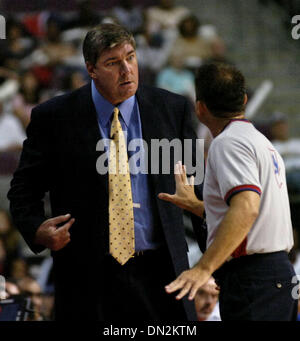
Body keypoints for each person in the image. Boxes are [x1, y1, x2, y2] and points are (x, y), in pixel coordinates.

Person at [7, 23, 203, 321]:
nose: (127, 70)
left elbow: (198, 186)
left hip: (163, 271)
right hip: (88, 275)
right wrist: (36, 229)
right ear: (91, 69)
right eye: (113, 63)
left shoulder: (171, 109)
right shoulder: (54, 118)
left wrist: (212, 261)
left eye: (131, 57)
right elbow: (23, 190)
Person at [159, 63, 298, 321]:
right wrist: (198, 207)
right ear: (244, 100)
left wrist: (203, 267)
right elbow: (253, 217)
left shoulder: (228, 143)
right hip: (275, 275)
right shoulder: (261, 142)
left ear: (200, 109)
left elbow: (246, 208)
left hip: (254, 279)